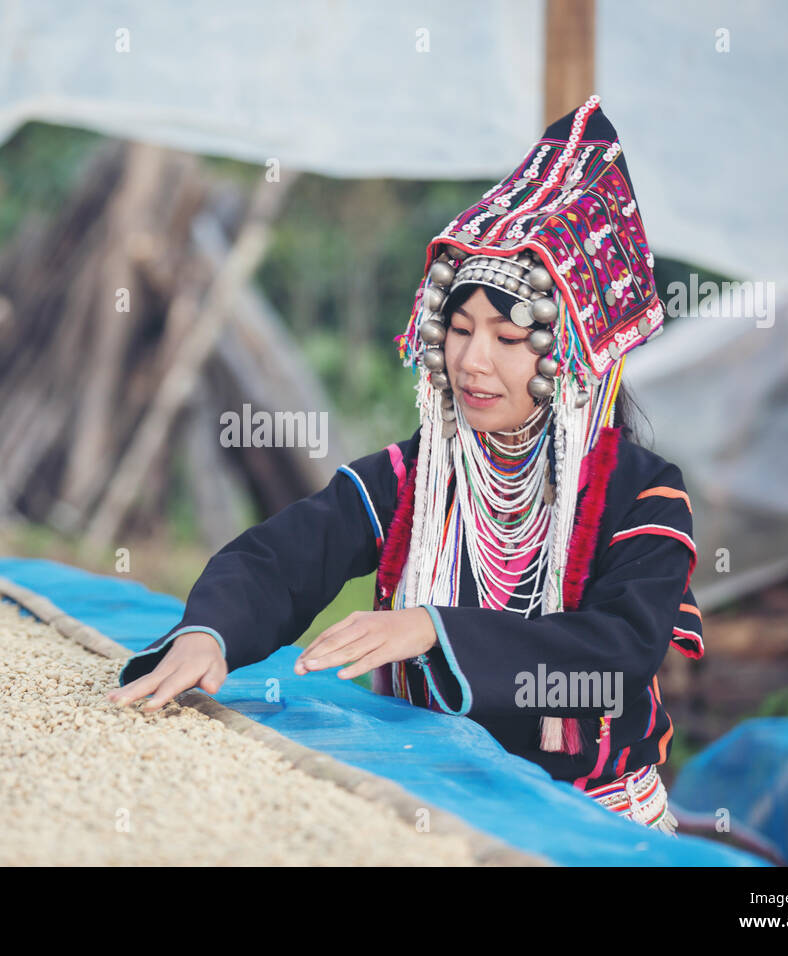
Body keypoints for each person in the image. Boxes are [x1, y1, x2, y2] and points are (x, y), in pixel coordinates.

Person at [108, 97, 701, 835]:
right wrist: (209, 632)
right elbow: (286, 556)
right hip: (428, 809)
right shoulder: (415, 478)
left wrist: (434, 629)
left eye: (509, 338)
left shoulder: (642, 495)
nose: (473, 361)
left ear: (571, 353)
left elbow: (618, 658)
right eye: (457, 329)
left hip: (585, 825)